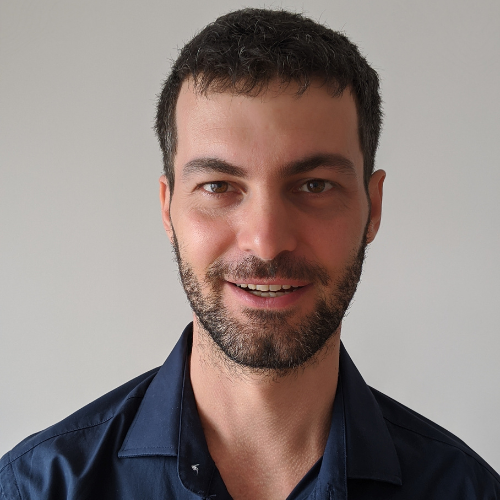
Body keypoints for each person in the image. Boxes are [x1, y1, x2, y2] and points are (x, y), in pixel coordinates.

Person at [1, 8, 498, 500]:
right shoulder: (38, 489)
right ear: (168, 209)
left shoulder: (466, 491)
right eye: (219, 186)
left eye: (314, 185)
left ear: (374, 208)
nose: (266, 241)